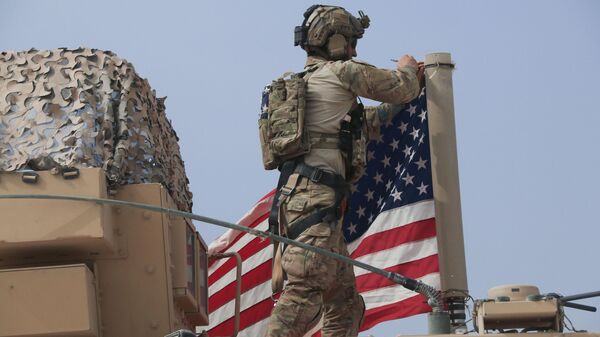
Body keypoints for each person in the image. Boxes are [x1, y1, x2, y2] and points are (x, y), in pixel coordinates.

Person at [267, 5, 424, 337]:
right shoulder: (341, 72)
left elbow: (358, 126)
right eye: (351, 41)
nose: (354, 50)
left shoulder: (308, 85)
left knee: (345, 303)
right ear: (334, 41)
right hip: (315, 200)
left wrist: (392, 109)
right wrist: (409, 70)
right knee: (305, 291)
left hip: (305, 200)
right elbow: (402, 87)